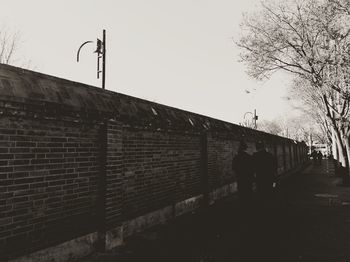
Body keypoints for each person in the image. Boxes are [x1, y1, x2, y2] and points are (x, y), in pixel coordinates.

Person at [232, 140, 254, 207]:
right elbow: (252, 169)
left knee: (242, 194)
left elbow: (234, 168)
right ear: (245, 148)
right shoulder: (249, 157)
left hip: (240, 179)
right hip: (248, 179)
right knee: (249, 194)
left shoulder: (236, 158)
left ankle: (242, 207)